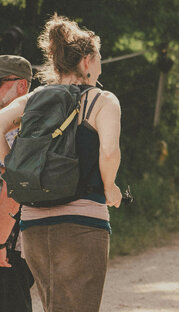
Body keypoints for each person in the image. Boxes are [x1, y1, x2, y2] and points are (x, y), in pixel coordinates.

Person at [0, 15, 122, 312]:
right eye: (99, 58)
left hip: (34, 222)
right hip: (82, 220)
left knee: (54, 305)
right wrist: (110, 186)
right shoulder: (102, 100)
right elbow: (108, 152)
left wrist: (11, 167)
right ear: (87, 61)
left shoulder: (33, 100)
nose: (100, 65)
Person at [0, 55, 34, 312]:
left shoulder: (18, 127)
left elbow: (12, 189)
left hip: (8, 246)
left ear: (21, 86)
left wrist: (1, 244)